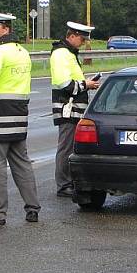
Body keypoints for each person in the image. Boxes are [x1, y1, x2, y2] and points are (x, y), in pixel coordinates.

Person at [0, 10, 41, 225]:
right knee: (22, 163)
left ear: (6, 29)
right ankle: (32, 208)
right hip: (19, 114)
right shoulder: (22, 51)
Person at [50, 21, 101, 197]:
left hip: (73, 109)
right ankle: (63, 185)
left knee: (71, 147)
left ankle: (68, 181)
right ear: (71, 35)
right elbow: (66, 84)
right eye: (81, 38)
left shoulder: (69, 53)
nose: (82, 42)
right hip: (67, 109)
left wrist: (86, 83)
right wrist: (85, 84)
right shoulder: (61, 54)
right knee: (65, 148)